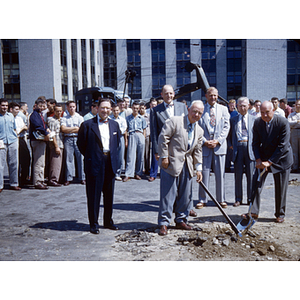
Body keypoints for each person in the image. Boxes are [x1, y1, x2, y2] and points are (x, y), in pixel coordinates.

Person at [157, 101, 204, 236]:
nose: (196, 114)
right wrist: (164, 156)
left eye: (199, 113)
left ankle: (181, 220)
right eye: (194, 111)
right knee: (168, 195)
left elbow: (197, 151)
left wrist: (198, 168)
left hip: (187, 166)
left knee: (185, 196)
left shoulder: (199, 130)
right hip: (171, 164)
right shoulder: (175, 121)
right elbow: (163, 138)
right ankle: (164, 223)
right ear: (188, 109)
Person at [242, 101, 293, 223]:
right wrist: (258, 159)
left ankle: (280, 214)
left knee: (280, 187)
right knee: (256, 185)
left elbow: (283, 146)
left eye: (267, 112)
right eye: (262, 112)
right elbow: (255, 143)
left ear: (273, 111)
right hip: (264, 157)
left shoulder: (282, 122)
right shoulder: (258, 122)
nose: (264, 115)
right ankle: (253, 212)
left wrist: (270, 162)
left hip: (282, 159)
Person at [77, 98, 121, 234]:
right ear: (97, 108)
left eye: (108, 108)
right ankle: (94, 224)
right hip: (95, 162)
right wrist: (93, 156)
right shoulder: (87, 125)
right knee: (94, 195)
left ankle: (108, 221)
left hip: (110, 162)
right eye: (103, 108)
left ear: (111, 109)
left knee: (109, 195)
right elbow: (81, 145)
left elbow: (117, 143)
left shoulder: (115, 125)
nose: (105, 111)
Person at [196, 87, 230, 209]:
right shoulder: (201, 109)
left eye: (215, 95)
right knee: (203, 174)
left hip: (219, 146)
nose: (213, 98)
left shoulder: (224, 109)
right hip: (205, 146)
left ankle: (221, 199)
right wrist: (205, 141)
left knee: (220, 174)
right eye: (211, 95)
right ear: (206, 96)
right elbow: (197, 127)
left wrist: (218, 141)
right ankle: (202, 199)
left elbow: (226, 127)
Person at [228, 97, 256, 207]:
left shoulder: (254, 119)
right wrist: (231, 146)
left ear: (249, 106)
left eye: (244, 105)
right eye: (240, 106)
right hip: (238, 148)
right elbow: (229, 135)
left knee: (250, 175)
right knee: (238, 175)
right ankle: (238, 198)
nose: (242, 108)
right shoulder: (233, 119)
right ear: (237, 107)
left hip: (249, 148)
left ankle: (250, 198)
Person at [60, 100, 85, 186]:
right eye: (70, 107)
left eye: (73, 107)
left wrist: (69, 129)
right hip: (68, 139)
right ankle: (68, 178)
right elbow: (63, 129)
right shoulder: (64, 118)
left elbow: (81, 129)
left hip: (78, 138)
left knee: (80, 158)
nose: (72, 108)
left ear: (76, 107)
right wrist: (75, 128)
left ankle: (82, 178)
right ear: (67, 107)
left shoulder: (80, 118)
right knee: (68, 159)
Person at [29, 98, 51, 189]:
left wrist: (47, 129)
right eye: (40, 106)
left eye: (43, 106)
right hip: (37, 140)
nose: (42, 108)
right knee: (38, 161)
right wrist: (46, 133)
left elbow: (43, 125)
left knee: (42, 161)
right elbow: (38, 126)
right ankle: (37, 181)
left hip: (41, 140)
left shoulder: (39, 114)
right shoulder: (34, 115)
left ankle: (41, 180)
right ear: (36, 105)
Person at [0, 99, 21, 192]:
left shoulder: (11, 116)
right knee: (0, 165)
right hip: (1, 142)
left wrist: (16, 139)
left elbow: (15, 129)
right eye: (3, 105)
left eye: (6, 106)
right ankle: (0, 185)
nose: (5, 107)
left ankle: (14, 183)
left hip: (12, 141)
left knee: (14, 163)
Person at [123, 101, 147, 182]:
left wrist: (143, 138)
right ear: (132, 108)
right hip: (132, 134)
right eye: (134, 108)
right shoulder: (128, 118)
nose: (135, 110)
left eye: (137, 108)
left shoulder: (142, 118)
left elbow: (144, 129)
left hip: (140, 135)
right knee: (130, 155)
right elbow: (126, 130)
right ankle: (129, 174)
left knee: (140, 155)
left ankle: (138, 173)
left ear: (139, 109)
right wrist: (126, 140)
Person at [9, 102, 30, 187]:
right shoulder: (9, 118)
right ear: (11, 110)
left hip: (21, 140)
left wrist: (21, 129)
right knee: (15, 161)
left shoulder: (19, 118)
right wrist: (21, 129)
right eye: (16, 109)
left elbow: (25, 127)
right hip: (14, 140)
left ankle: (24, 178)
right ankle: (16, 180)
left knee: (26, 158)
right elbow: (17, 131)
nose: (18, 111)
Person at [47, 104, 64, 186]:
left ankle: (57, 178)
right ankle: (53, 179)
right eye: (57, 111)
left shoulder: (60, 120)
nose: (59, 112)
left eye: (60, 111)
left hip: (61, 143)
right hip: (56, 144)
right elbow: (52, 134)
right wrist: (56, 146)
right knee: (55, 163)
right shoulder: (52, 121)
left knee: (59, 163)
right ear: (54, 111)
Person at [110, 104, 127, 180]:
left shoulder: (122, 119)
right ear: (112, 111)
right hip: (112, 138)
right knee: (112, 155)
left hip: (120, 137)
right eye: (114, 110)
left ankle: (118, 173)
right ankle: (111, 172)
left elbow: (123, 129)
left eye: (117, 110)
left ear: (119, 111)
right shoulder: (109, 119)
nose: (115, 112)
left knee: (120, 156)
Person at [146, 98, 159, 182]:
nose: (154, 106)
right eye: (152, 104)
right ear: (150, 104)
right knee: (150, 154)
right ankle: (150, 172)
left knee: (158, 155)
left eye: (155, 104)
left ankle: (155, 173)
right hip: (149, 134)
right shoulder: (147, 112)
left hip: (158, 135)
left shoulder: (159, 111)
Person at [288, 99, 300, 172]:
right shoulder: (291, 114)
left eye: (298, 104)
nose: (296, 106)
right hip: (294, 131)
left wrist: (294, 123)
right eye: (295, 104)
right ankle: (295, 166)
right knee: (294, 150)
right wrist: (297, 121)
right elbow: (288, 123)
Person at [139, 101, 151, 175]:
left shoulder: (148, 116)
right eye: (140, 108)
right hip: (140, 136)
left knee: (147, 154)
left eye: (143, 108)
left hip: (147, 136)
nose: (142, 110)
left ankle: (147, 169)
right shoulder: (138, 116)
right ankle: (139, 169)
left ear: (145, 108)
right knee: (140, 154)